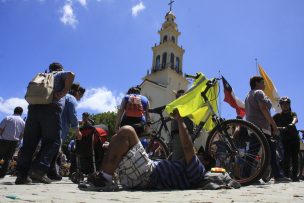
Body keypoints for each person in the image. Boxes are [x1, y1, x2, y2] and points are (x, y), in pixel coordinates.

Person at [79, 109, 205, 191]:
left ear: (206, 162)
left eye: (201, 156)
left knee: (127, 130)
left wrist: (179, 119)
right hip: (144, 174)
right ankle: (101, 175)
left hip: (148, 175)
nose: (197, 155)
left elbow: (188, 147)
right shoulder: (183, 168)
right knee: (118, 137)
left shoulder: (198, 171)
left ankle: (104, 179)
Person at [15, 62, 75, 184]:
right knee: (53, 141)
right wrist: (63, 92)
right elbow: (71, 74)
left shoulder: (42, 76)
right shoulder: (58, 73)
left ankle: (22, 175)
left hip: (33, 109)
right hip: (51, 109)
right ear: (59, 68)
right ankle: (39, 169)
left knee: (29, 143)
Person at [244, 76, 290, 183]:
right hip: (261, 128)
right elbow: (264, 109)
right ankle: (278, 176)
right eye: (262, 82)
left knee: (253, 152)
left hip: (252, 128)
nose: (264, 85)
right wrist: (274, 126)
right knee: (271, 152)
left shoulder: (247, 96)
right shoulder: (259, 92)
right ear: (256, 83)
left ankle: (245, 176)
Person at [48, 83, 85, 180]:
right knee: (54, 151)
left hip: (50, 125)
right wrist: (77, 131)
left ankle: (48, 172)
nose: (80, 98)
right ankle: (49, 172)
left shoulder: (62, 96)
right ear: (77, 92)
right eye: (80, 96)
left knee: (51, 149)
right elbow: (72, 116)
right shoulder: (71, 98)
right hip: (59, 129)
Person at [273, 97, 300, 181]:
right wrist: (278, 128)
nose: (285, 106)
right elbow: (271, 123)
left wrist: (292, 123)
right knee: (286, 157)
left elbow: (295, 119)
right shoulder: (277, 116)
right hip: (284, 139)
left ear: (289, 105)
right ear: (280, 105)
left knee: (295, 157)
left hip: (294, 138)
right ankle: (286, 175)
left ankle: (295, 176)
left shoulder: (292, 114)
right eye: (283, 104)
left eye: (287, 104)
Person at [0, 107, 25, 178]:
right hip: (14, 142)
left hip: (4, 140)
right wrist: (19, 140)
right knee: (8, 159)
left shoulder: (8, 118)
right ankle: (2, 174)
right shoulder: (22, 122)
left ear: (14, 111)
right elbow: (22, 134)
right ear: (21, 113)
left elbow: (0, 129)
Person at [171, 89, 194, 161]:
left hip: (182, 134)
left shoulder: (182, 107)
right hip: (179, 135)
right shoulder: (180, 106)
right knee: (178, 159)